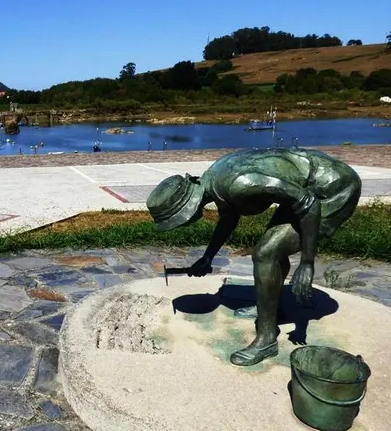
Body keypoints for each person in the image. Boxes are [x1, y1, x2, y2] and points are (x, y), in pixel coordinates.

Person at [146, 148, 361, 366]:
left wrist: (307, 263)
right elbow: (229, 217)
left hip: (333, 190)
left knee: (266, 253)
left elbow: (308, 203)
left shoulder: (239, 185)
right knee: (272, 248)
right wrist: (208, 257)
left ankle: (267, 338)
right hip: (305, 189)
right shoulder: (212, 181)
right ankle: (269, 305)